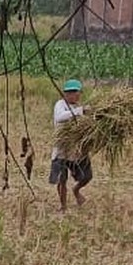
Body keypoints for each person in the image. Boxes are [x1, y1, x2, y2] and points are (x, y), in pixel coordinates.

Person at [49, 79, 91, 211]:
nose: (73, 94)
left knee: (86, 176)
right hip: (61, 149)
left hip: (76, 150)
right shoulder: (60, 105)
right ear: (65, 94)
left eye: (75, 92)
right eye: (69, 92)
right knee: (62, 179)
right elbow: (60, 117)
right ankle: (63, 206)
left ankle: (76, 190)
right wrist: (80, 111)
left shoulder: (80, 107)